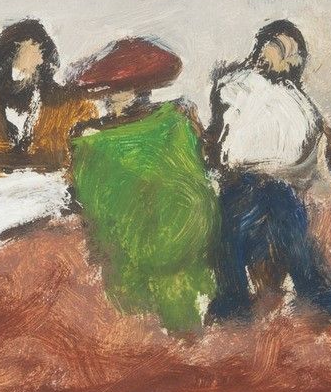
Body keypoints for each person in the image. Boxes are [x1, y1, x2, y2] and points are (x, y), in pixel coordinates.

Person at [205, 20, 331, 322]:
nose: (283, 57)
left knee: (291, 222)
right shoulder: (234, 86)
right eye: (277, 47)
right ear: (262, 47)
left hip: (280, 184)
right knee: (233, 227)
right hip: (240, 180)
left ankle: (316, 291)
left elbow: (308, 153)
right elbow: (220, 138)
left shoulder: (299, 101)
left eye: (291, 53)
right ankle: (232, 300)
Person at [68, 37, 220, 336]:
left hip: (176, 221)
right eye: (110, 91)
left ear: (139, 90)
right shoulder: (92, 139)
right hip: (140, 228)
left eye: (119, 90)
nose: (111, 98)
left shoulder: (173, 121)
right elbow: (94, 196)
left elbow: (188, 175)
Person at [0, 20, 96, 250]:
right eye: (17, 66)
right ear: (1, 65)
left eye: (33, 67)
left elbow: (80, 165)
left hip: (54, 224)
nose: (23, 75)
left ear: (45, 65)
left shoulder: (70, 107)